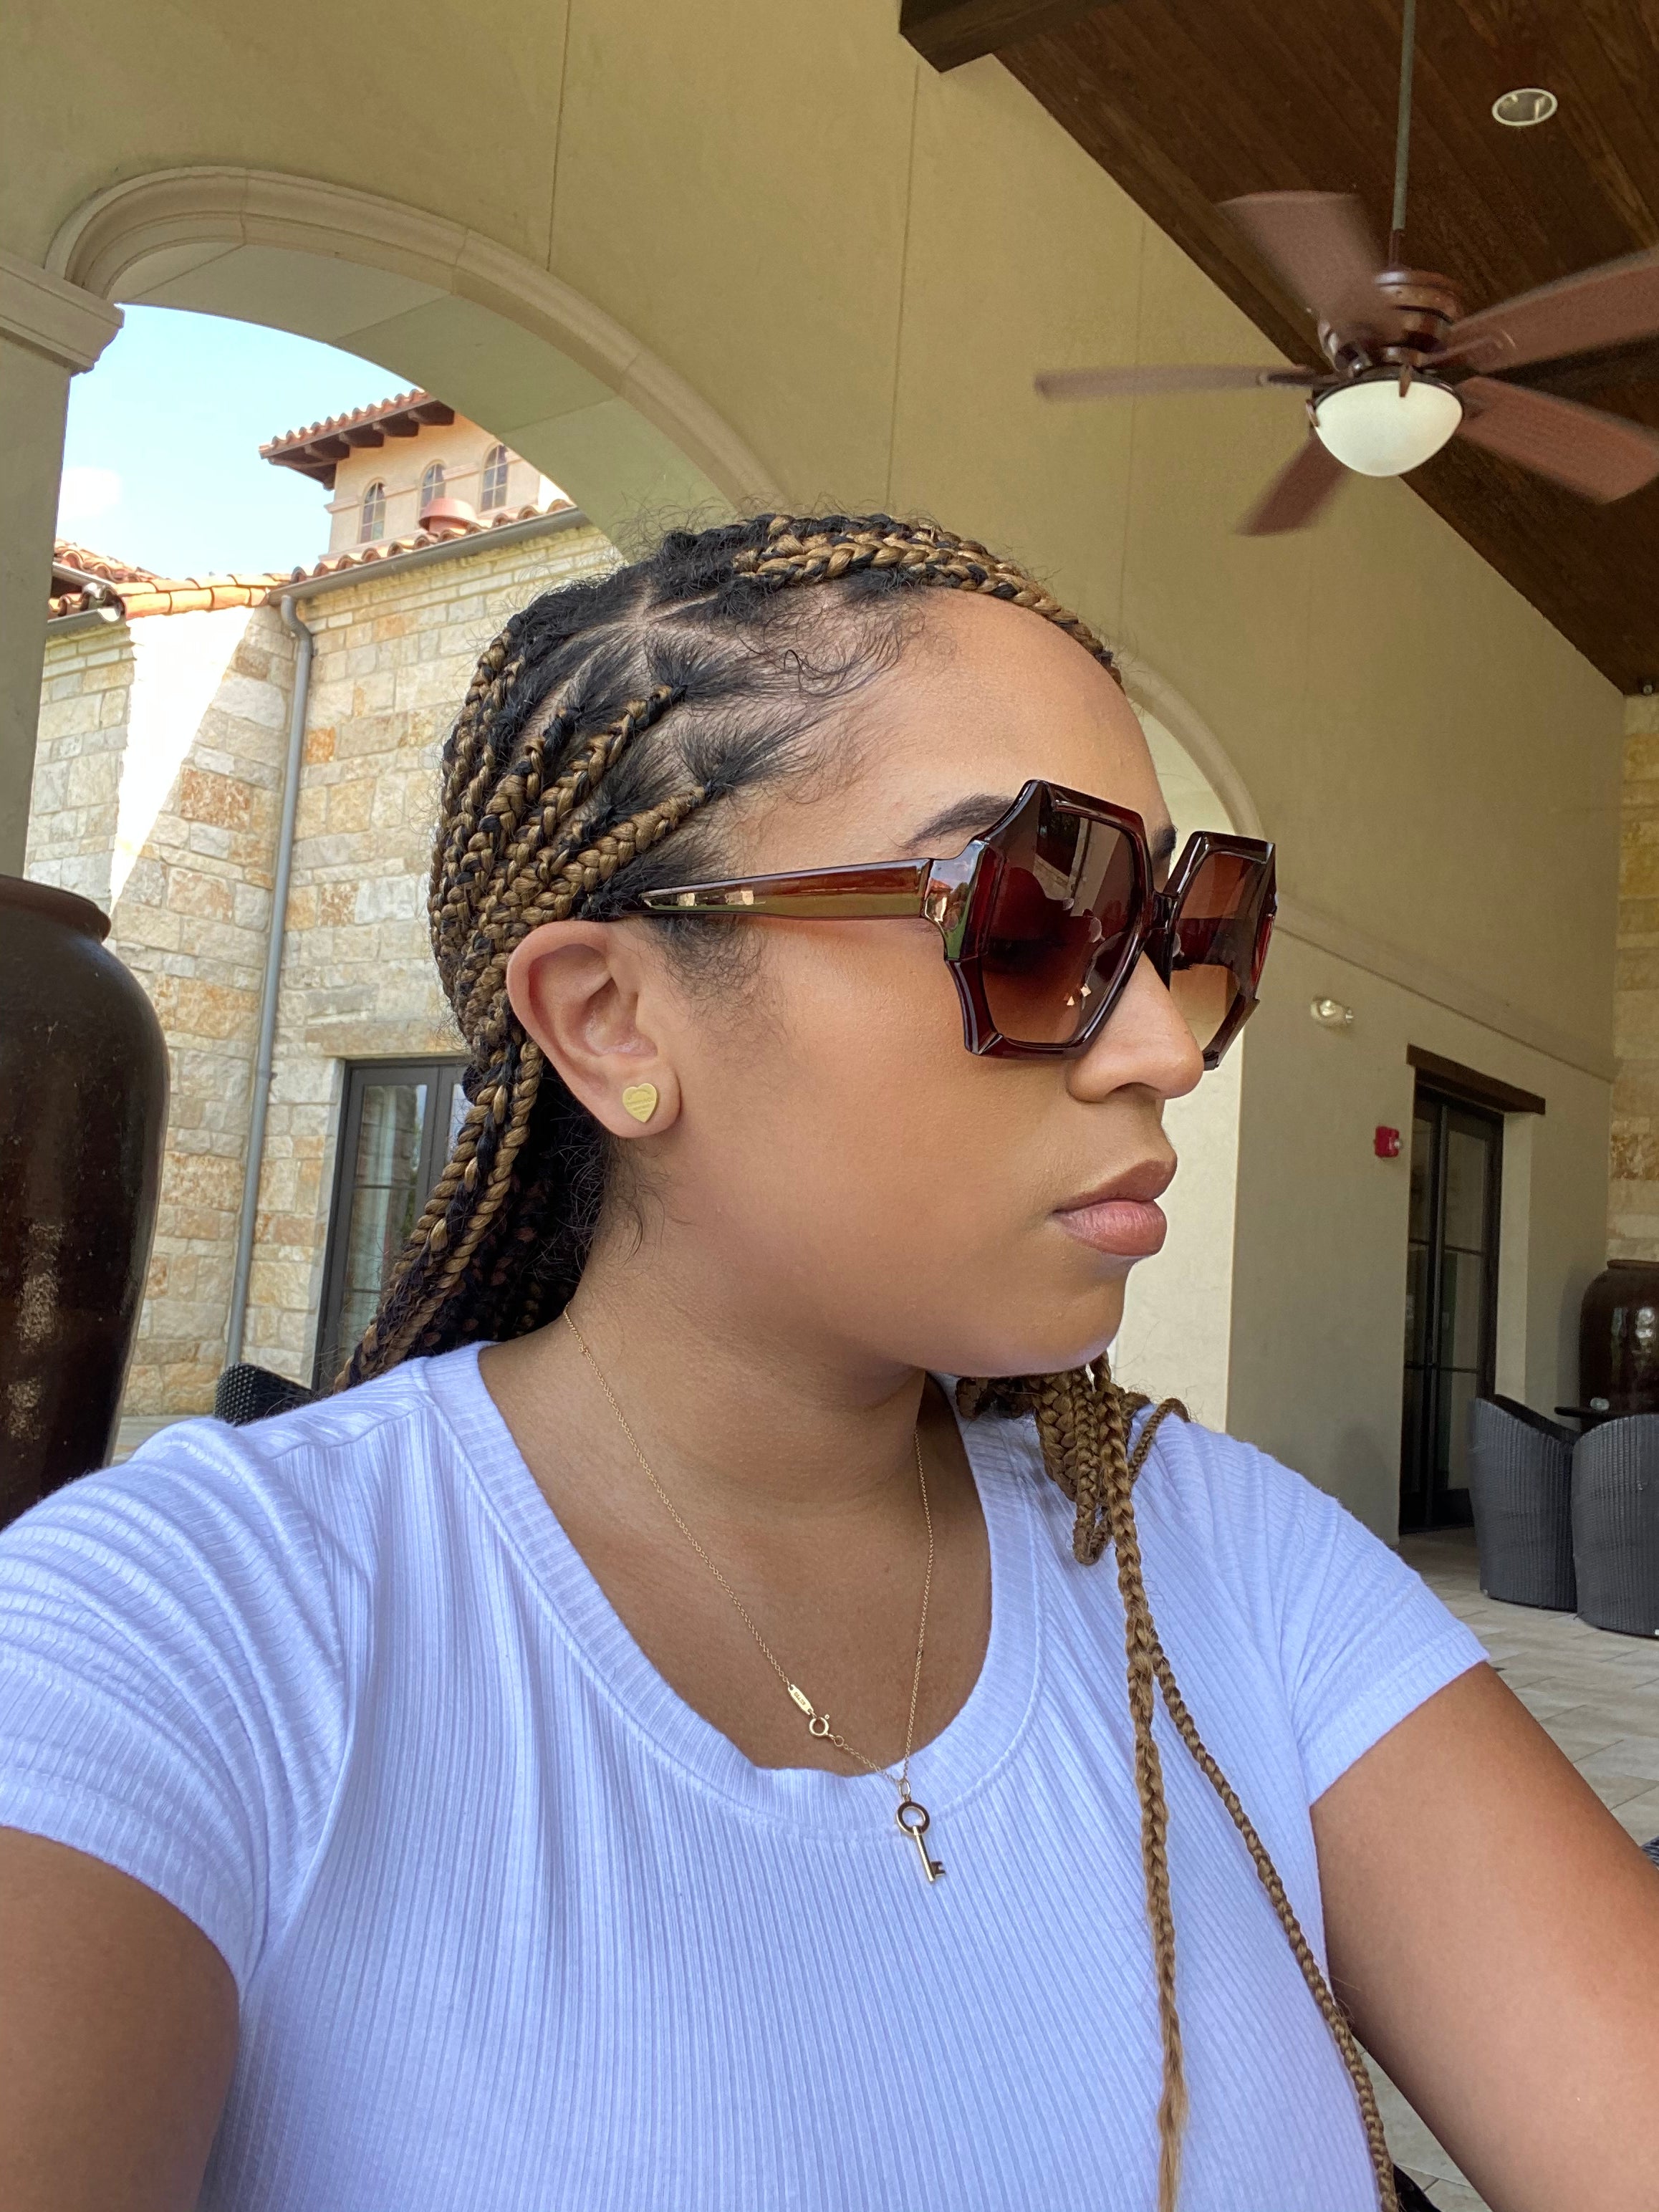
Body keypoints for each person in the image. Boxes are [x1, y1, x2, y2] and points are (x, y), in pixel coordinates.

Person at [1, 514, 1655, 2212]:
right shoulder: (185, 1634)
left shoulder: (1225, 1562)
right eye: (1035, 913)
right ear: (613, 1020)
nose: (1165, 1042)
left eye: (1185, 929)